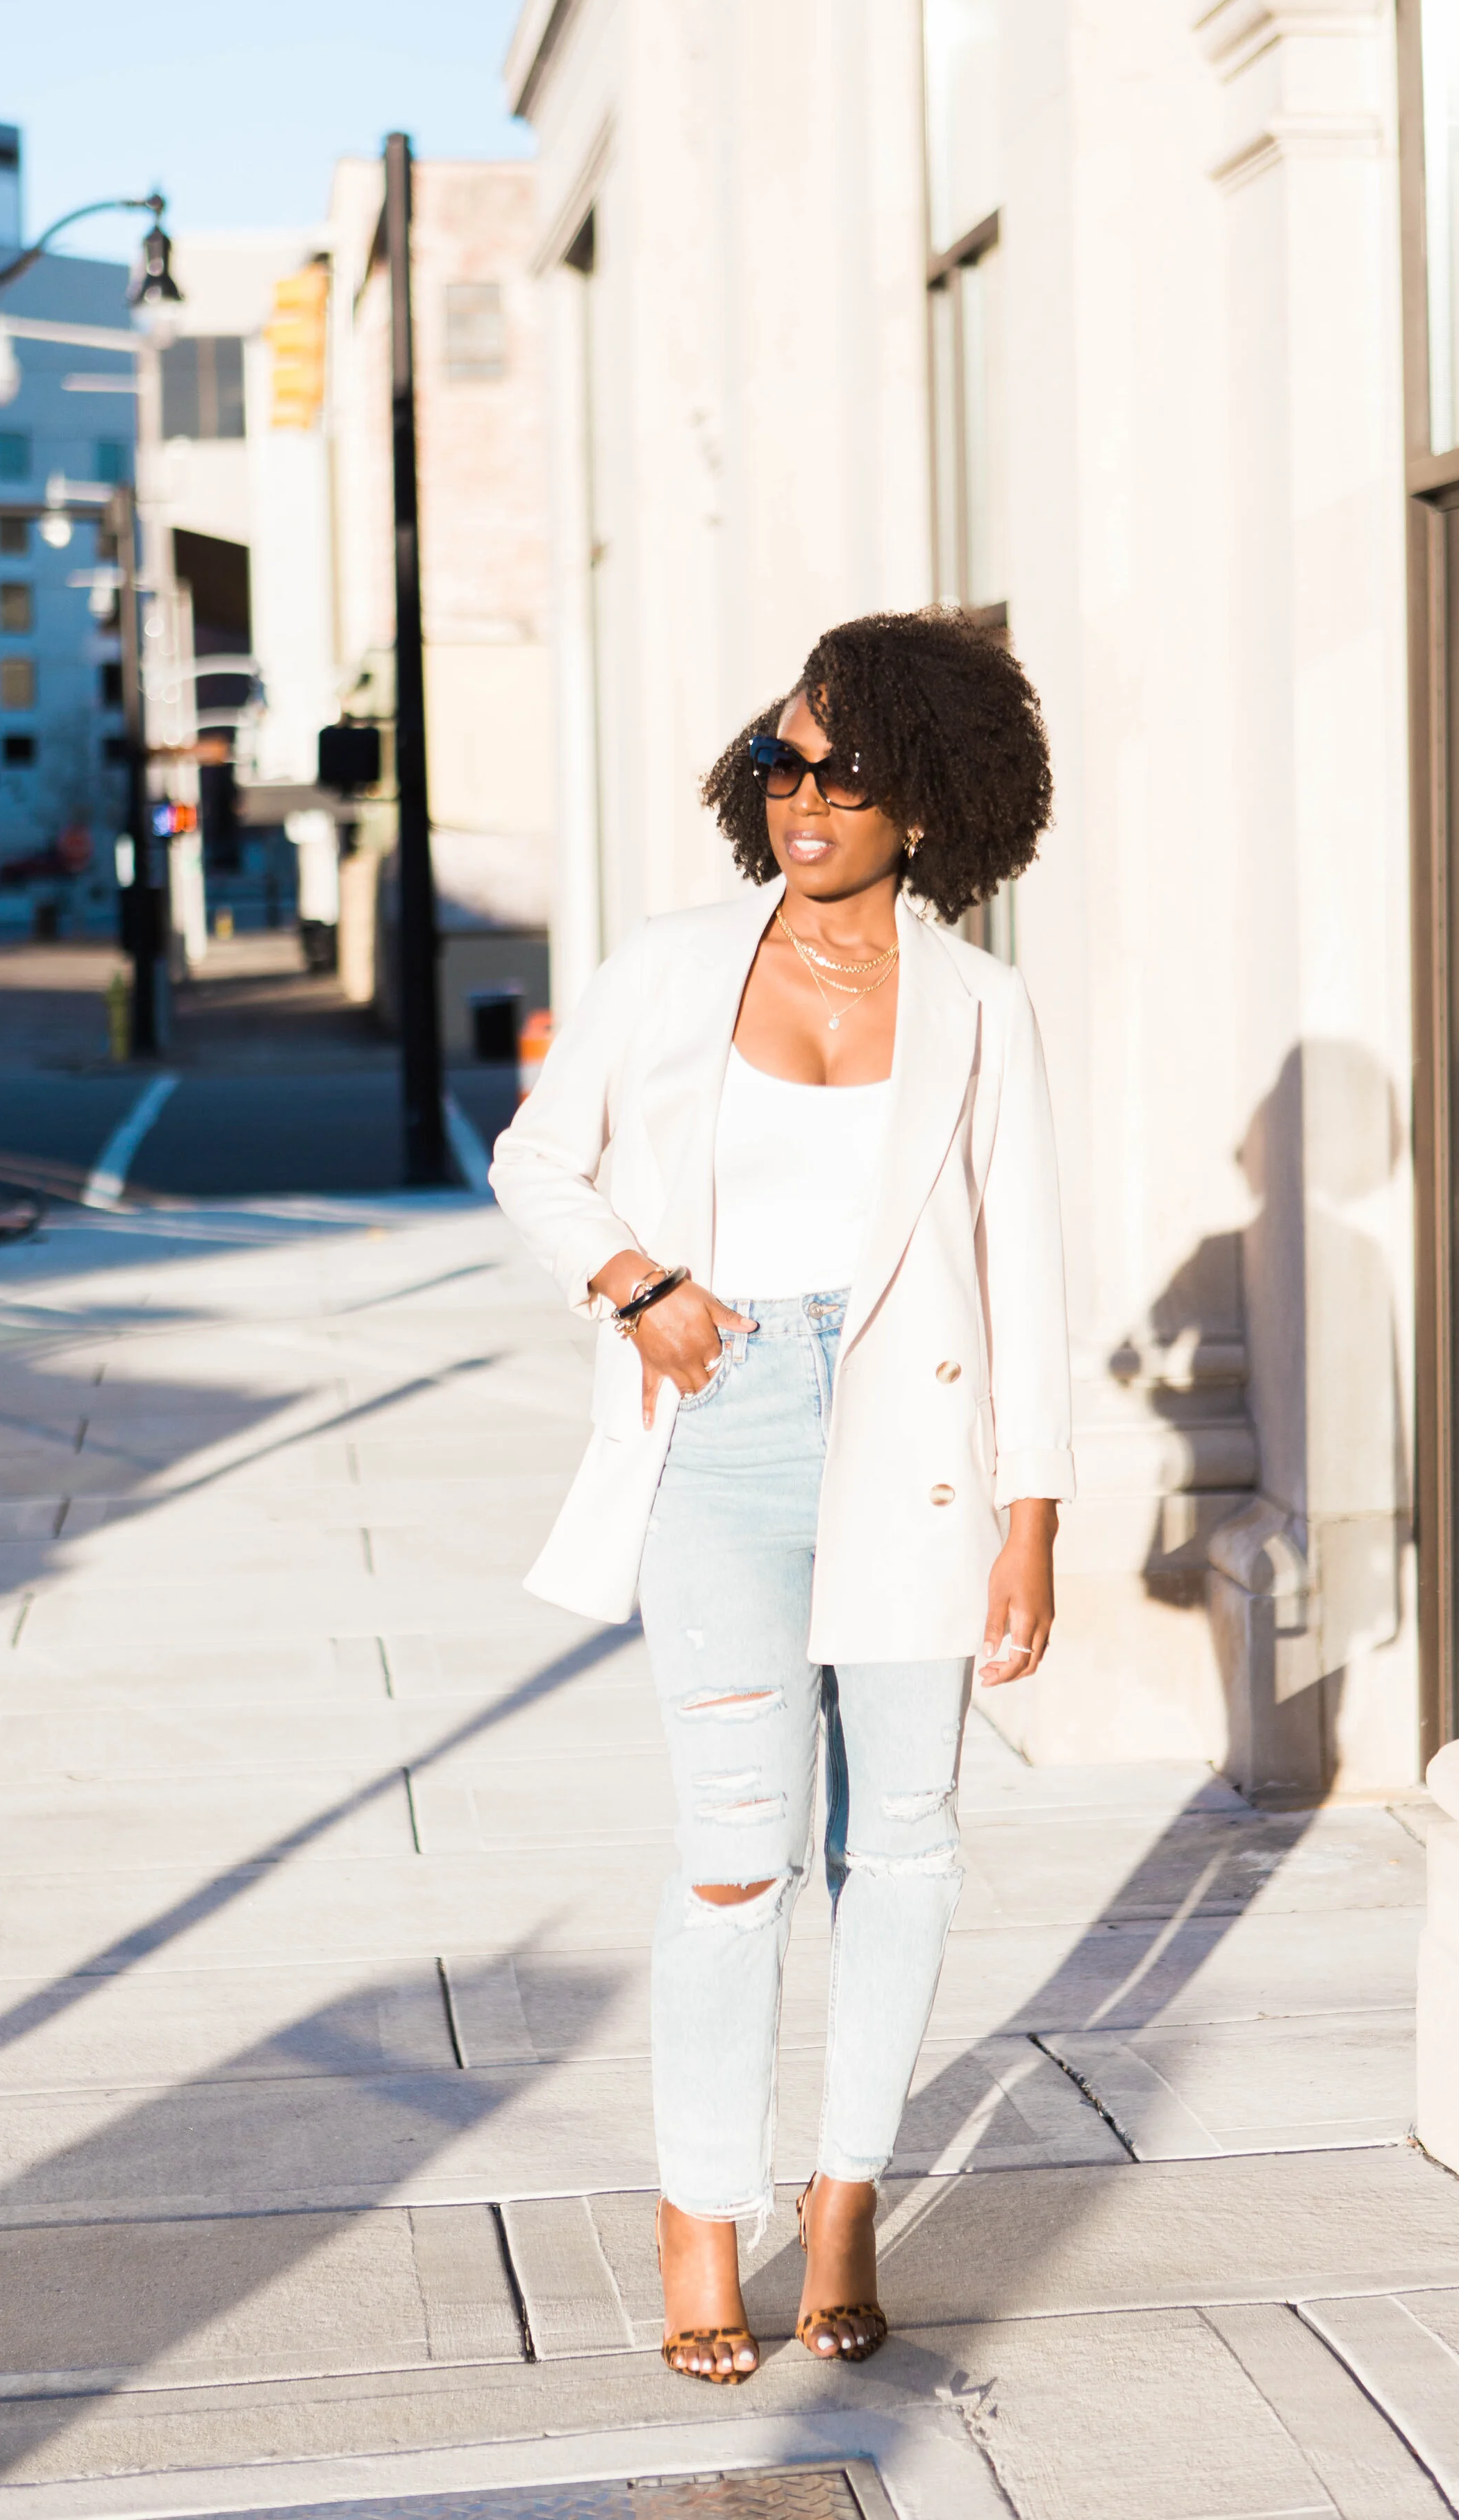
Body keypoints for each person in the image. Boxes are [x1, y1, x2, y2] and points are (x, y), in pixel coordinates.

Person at [490, 607, 1073, 2383]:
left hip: (918, 1457)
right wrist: (638, 1287)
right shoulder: (672, 967)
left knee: (900, 1846)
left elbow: (1024, 1270)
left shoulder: (978, 1007)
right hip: (724, 1425)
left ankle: (841, 2200)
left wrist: (1033, 1518)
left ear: (929, 801)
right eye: (782, 761)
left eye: (845, 772)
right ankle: (698, 2212)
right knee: (735, 1855)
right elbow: (538, 1159)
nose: (803, 799)